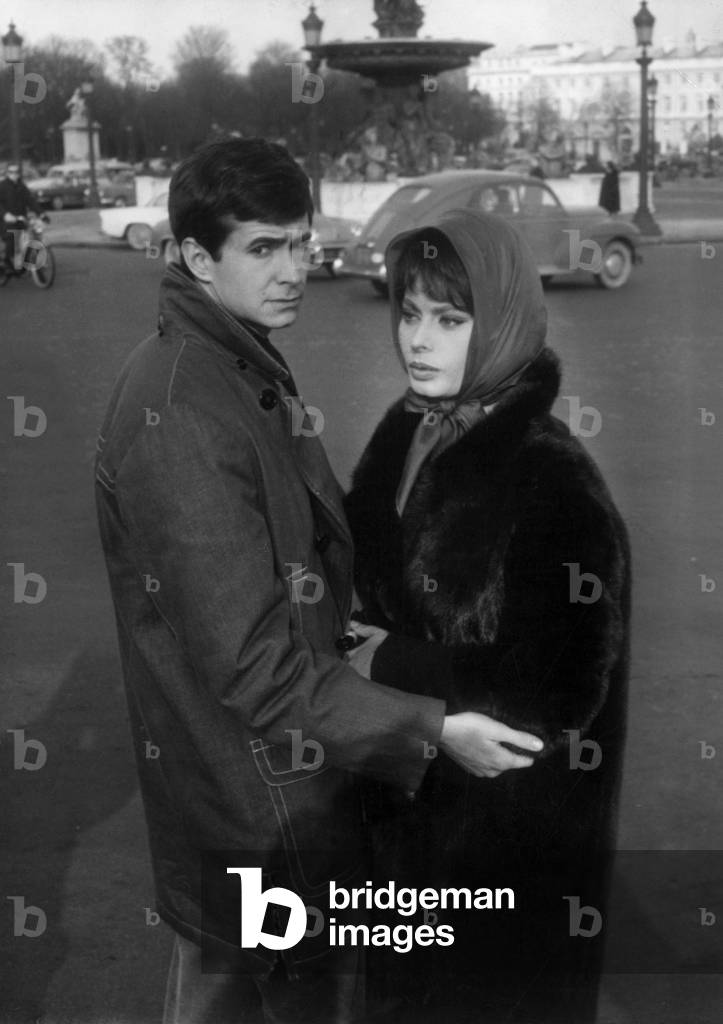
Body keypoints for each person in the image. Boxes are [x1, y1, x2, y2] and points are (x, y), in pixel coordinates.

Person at [94, 139, 543, 1024]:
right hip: (263, 807)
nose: (295, 269)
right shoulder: (184, 410)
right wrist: (429, 729)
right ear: (194, 256)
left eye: (300, 243)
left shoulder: (225, 353)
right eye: (264, 249)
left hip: (252, 792)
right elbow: (253, 665)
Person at [344, 210, 631, 1023]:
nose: (417, 341)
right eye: (408, 313)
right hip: (411, 827)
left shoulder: (551, 479)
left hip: (506, 846)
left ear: (498, 321)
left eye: (449, 318)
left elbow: (553, 692)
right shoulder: (404, 431)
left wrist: (384, 661)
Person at [0, 163, 41, 271]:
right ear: (7, 173)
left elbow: (30, 200)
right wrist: (5, 214)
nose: (14, 174)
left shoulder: (21, 186)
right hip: (6, 222)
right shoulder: (2, 186)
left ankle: (28, 264)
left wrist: (41, 213)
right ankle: (7, 263)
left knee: (33, 236)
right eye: (11, 172)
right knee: (11, 238)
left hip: (20, 219)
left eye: (16, 172)